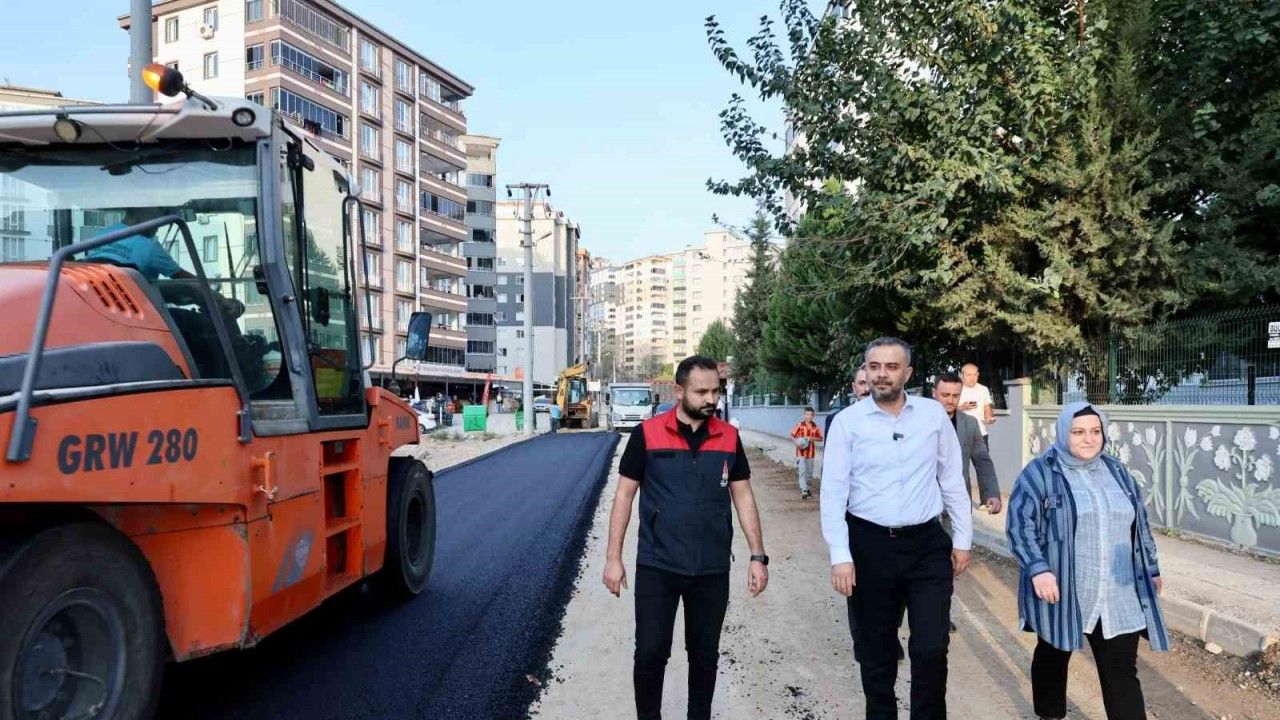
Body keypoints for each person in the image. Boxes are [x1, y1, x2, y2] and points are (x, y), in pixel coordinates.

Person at [603, 355, 768, 720]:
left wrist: (758, 555)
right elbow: (624, 496)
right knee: (650, 652)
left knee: (705, 655)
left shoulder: (729, 437)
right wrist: (613, 558)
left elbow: (743, 495)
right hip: (658, 565)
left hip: (711, 567)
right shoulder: (647, 435)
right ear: (679, 391)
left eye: (716, 391)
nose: (711, 399)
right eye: (702, 392)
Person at [821, 337, 972, 720]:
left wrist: (963, 539)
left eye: (891, 367)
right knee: (877, 652)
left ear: (907, 372)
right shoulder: (848, 423)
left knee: (931, 648)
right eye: (874, 366)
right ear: (866, 370)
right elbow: (833, 493)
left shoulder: (932, 416)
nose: (881, 374)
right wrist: (841, 556)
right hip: (869, 546)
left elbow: (951, 478)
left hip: (926, 546)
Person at [1007, 402, 1167, 720]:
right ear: (1063, 433)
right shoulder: (1040, 472)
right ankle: (1050, 714)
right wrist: (1038, 569)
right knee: (1054, 653)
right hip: (1064, 586)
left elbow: (1140, 524)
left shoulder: (1117, 471)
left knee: (1121, 668)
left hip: (1118, 591)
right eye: (1078, 432)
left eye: (1096, 431)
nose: (1089, 439)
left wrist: (1151, 567)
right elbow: (1020, 525)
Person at [932, 373, 1002, 514]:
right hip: (924, 506)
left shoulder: (970, 424)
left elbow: (983, 462)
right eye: (945, 395)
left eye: (955, 396)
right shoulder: (917, 422)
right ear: (934, 393)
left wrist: (992, 494)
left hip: (958, 504)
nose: (950, 400)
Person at [86, 207, 194, 281]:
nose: (162, 219)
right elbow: (188, 281)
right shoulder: (150, 248)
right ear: (140, 208)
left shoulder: (99, 236)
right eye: (161, 210)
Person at [825, 366, 871, 437]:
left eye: (871, 383)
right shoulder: (836, 420)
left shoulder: (888, 417)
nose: (867, 389)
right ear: (854, 387)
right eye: (861, 383)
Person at [958, 363, 996, 447]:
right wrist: (962, 407)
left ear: (978, 374)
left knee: (983, 456)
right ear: (962, 375)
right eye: (969, 375)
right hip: (961, 434)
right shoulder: (956, 389)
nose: (972, 378)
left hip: (981, 433)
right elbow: (947, 411)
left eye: (975, 374)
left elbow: (987, 408)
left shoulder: (983, 389)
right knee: (961, 456)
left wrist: (989, 418)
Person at [790, 406, 823, 500]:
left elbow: (821, 438)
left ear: (813, 416)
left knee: (809, 472)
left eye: (811, 415)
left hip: (811, 453)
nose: (809, 416)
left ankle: (808, 489)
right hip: (801, 453)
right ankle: (804, 490)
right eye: (807, 414)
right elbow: (792, 435)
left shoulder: (815, 427)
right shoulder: (800, 425)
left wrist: (812, 438)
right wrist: (797, 443)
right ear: (804, 415)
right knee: (802, 471)